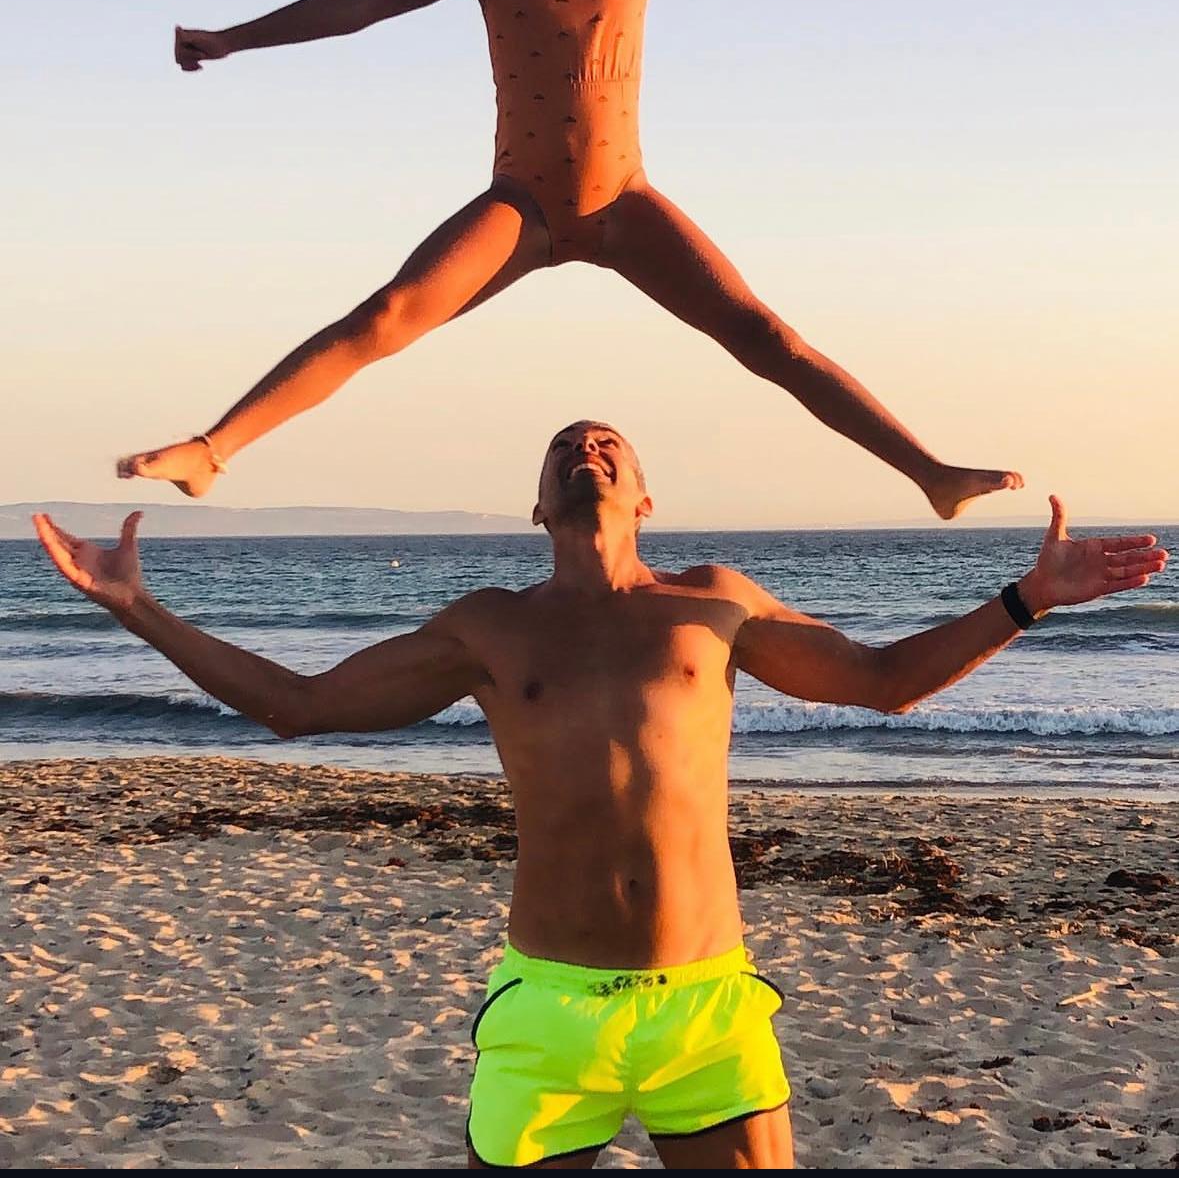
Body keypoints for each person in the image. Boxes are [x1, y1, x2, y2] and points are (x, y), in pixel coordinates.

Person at [36, 420, 1167, 1169]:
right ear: (538, 506)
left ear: (644, 496)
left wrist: (1027, 598)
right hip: (546, 1013)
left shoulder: (711, 605)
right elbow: (297, 705)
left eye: (611, 443)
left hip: (707, 1012)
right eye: (568, 446)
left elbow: (881, 683)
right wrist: (135, 609)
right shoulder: (492, 626)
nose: (589, 446)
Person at [116, 0, 1020, 520]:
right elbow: (359, 4)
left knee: (768, 339)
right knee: (387, 314)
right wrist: (235, 38)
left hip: (623, 201)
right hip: (522, 206)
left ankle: (929, 472)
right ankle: (215, 447)